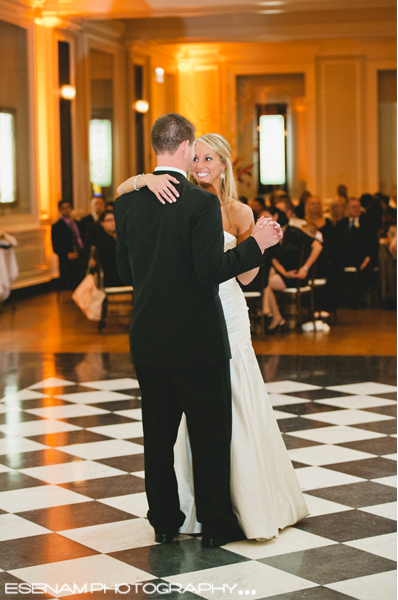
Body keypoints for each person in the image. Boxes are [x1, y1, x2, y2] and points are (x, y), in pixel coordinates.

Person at [116, 119, 308, 544]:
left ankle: (164, 522)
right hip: (199, 338)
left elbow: (125, 270)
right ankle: (216, 526)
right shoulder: (199, 205)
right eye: (196, 152)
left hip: (148, 336)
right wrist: (256, 244)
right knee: (210, 436)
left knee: (157, 440)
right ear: (184, 147)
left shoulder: (128, 203)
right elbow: (209, 273)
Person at [51, 199, 84, 290]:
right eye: (63, 208)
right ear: (60, 210)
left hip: (81, 254)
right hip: (67, 258)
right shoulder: (56, 227)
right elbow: (56, 246)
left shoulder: (77, 223)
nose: (66, 210)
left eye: (68, 207)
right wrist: (66, 254)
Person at [90, 210, 122, 288]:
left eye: (115, 219)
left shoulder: (120, 236)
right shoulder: (101, 239)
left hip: (120, 272)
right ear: (102, 223)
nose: (113, 222)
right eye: (109, 220)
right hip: (111, 275)